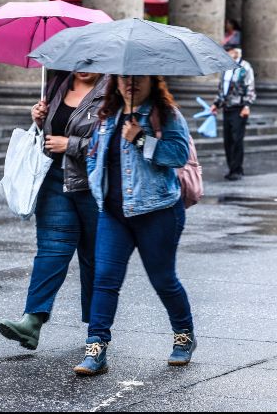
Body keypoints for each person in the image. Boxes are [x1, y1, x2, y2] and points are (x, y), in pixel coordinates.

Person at [75, 75, 194, 376]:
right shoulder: (108, 114)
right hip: (114, 213)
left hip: (158, 211)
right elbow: (93, 155)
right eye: (124, 77)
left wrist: (141, 139)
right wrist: (96, 186)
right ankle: (96, 347)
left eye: (138, 77)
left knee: (163, 279)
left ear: (153, 81)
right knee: (105, 279)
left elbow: (179, 155)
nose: (130, 82)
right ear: (115, 82)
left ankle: (184, 335)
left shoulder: (166, 115)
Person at [0, 71, 108, 350]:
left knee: (94, 257)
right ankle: (31, 321)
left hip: (93, 185)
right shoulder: (58, 83)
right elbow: (51, 130)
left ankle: (97, 331)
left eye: (90, 58)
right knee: (51, 249)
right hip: (55, 180)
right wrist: (40, 120)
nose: (83, 65)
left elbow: (113, 141)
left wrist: (69, 144)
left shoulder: (113, 90)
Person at [210, 46, 256, 181]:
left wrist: (247, 105)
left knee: (237, 139)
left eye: (228, 52)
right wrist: (216, 104)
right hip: (227, 108)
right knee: (228, 139)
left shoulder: (245, 67)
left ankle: (237, 169)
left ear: (236, 53)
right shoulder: (225, 67)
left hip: (239, 108)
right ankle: (232, 167)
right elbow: (222, 89)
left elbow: (250, 87)